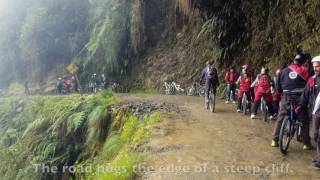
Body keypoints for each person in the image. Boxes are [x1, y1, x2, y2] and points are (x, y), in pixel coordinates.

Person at [271, 53, 312, 149]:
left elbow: (279, 88)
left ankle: (274, 140)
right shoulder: (305, 70)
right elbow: (310, 84)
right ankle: (306, 143)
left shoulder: (283, 71)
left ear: (294, 61)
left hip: (286, 98)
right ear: (302, 62)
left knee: (281, 117)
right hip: (300, 98)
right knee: (304, 119)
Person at [299, 56, 320, 167]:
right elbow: (305, 94)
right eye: (314, 66)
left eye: (318, 66)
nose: (315, 68)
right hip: (315, 113)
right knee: (316, 135)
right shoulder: (312, 80)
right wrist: (300, 106)